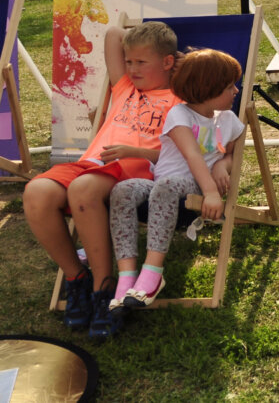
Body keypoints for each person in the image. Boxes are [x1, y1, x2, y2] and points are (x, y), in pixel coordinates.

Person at [22, 21, 178, 338]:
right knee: (36, 192)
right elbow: (113, 34)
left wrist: (135, 150)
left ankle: (103, 290)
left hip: (132, 168)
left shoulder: (179, 99)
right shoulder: (124, 87)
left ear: (167, 62)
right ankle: (76, 277)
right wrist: (143, 41)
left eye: (141, 62)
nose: (132, 68)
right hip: (90, 163)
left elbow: (183, 152)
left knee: (83, 189)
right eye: (129, 61)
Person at [107, 49, 244, 320]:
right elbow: (192, 154)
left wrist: (220, 168)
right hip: (165, 185)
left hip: (192, 188)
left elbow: (231, 155)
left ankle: (153, 272)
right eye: (230, 86)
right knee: (122, 190)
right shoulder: (179, 114)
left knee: (167, 185)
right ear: (208, 89)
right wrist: (212, 190)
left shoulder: (229, 120)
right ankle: (126, 276)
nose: (236, 91)